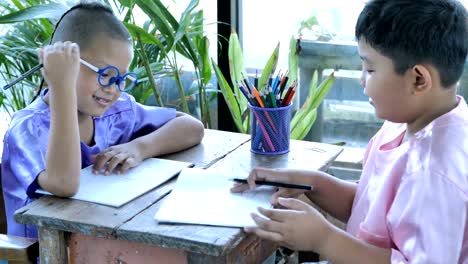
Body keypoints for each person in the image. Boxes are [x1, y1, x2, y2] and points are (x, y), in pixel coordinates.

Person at [232, 0, 468, 262]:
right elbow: (372, 208)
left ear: (418, 79)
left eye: (370, 69)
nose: (361, 79)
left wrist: (325, 239)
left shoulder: (437, 172)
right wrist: (310, 183)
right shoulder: (407, 121)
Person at [2, 2, 204, 239]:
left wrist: (139, 147)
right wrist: (62, 86)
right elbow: (64, 183)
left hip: (101, 242)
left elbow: (192, 127)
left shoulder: (116, 113)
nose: (114, 89)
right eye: (104, 74)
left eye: (121, 78)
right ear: (61, 65)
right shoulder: (27, 129)